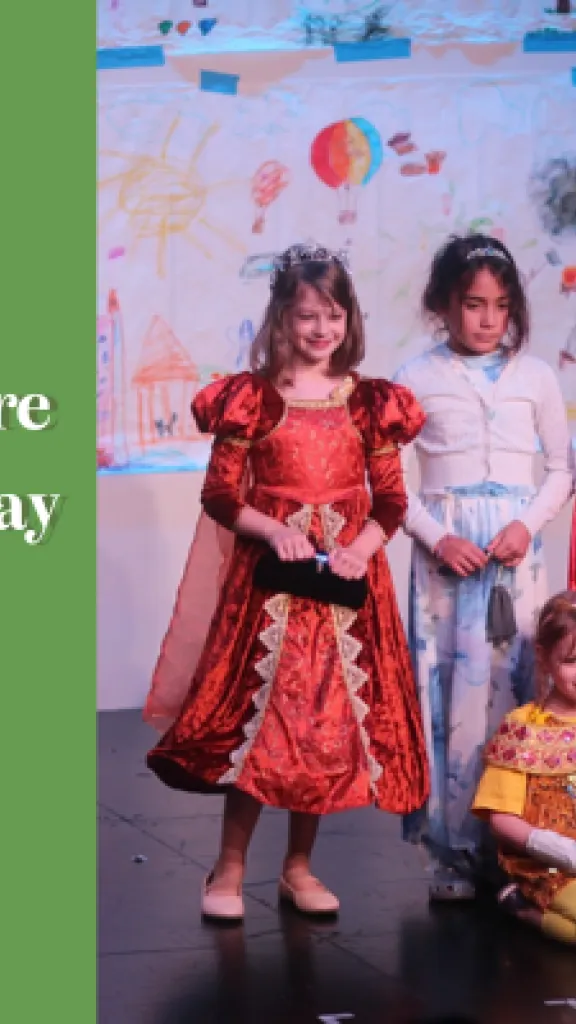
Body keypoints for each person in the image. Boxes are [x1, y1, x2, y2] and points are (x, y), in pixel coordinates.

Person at [144, 242, 429, 921]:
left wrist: (362, 546)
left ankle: (298, 868)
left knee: (326, 729)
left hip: (343, 596)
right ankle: (230, 868)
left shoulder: (370, 404)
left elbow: (389, 499)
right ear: (282, 318)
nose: (321, 329)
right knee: (263, 724)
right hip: (273, 594)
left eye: (333, 316)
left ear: (349, 319)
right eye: (307, 316)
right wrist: (274, 529)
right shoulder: (253, 400)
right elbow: (219, 495)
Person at [394, 234, 572, 901]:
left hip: (515, 557)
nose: (488, 319)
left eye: (500, 305)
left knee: (524, 688)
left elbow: (561, 467)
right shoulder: (416, 377)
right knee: (452, 699)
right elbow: (386, 477)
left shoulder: (535, 376)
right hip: (450, 567)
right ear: (446, 304)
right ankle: (454, 852)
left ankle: (521, 846)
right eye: (473, 304)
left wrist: (527, 523)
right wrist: (438, 537)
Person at [472, 591, 576, 946]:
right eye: (572, 661)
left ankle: (532, 914)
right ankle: (528, 909)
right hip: (548, 865)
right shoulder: (524, 727)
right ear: (545, 659)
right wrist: (565, 851)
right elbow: (502, 820)